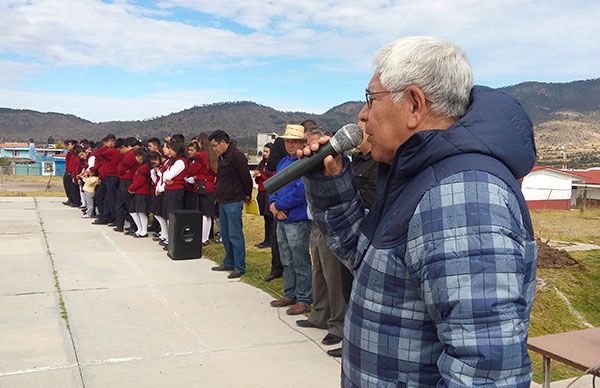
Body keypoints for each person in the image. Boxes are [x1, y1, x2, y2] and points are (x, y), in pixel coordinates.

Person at [301, 36, 537, 386]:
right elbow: (368, 263)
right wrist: (331, 182)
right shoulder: (417, 175)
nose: (363, 115)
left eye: (371, 99)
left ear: (414, 105)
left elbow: (485, 370)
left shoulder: (461, 196)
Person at [327, 119, 378, 358]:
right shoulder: (354, 160)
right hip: (348, 230)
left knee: (359, 288)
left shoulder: (377, 163)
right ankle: (349, 339)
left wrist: (347, 196)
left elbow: (368, 197)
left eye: (363, 129)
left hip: (365, 229)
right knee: (346, 287)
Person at [295, 125, 344, 344]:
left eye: (316, 145)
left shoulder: (335, 167)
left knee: (334, 277)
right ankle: (320, 315)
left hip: (329, 226)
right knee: (319, 274)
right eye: (308, 145)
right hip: (314, 224)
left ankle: (338, 324)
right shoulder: (310, 168)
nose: (311, 149)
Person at [268, 124, 312, 315]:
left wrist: (279, 206)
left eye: (294, 141)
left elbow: (300, 192)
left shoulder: (305, 163)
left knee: (300, 258)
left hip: (297, 218)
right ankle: (290, 292)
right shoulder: (282, 162)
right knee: (286, 257)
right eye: (287, 141)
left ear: (303, 142)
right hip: (282, 218)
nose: (290, 144)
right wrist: (273, 204)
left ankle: (304, 298)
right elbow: (274, 185)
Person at [208, 130, 252, 279]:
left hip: (234, 200)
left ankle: (239, 266)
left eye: (215, 145)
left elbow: (246, 176)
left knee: (235, 234)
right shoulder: (222, 157)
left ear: (223, 142)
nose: (214, 149)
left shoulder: (237, 156)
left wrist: (247, 194)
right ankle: (229, 261)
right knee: (225, 234)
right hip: (223, 200)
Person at [127, 148, 152, 237]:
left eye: (137, 156)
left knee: (141, 212)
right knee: (133, 211)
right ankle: (140, 228)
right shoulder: (141, 167)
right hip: (138, 191)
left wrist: (131, 188)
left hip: (143, 192)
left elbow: (140, 181)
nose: (136, 158)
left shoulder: (144, 168)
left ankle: (144, 231)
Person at [254, 143, 275, 249]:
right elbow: (259, 181)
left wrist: (261, 175)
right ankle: (266, 239)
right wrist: (257, 176)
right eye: (264, 151)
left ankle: (270, 240)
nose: (265, 154)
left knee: (270, 217)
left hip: (268, 192)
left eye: (267, 152)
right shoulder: (262, 164)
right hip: (261, 192)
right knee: (266, 218)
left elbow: (272, 179)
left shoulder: (273, 165)